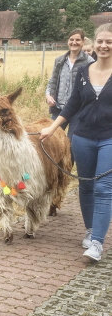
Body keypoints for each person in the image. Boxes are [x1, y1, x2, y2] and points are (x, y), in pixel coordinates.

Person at [41, 23, 112, 262]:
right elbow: (72, 105)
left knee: (103, 188)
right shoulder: (84, 71)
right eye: (101, 41)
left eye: (109, 42)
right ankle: (90, 229)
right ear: (95, 44)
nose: (104, 46)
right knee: (86, 186)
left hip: (109, 139)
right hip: (81, 137)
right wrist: (52, 128)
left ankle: (97, 243)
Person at [45, 29, 94, 146]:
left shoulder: (89, 62)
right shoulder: (60, 61)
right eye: (71, 39)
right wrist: (48, 95)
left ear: (83, 42)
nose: (74, 42)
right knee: (53, 142)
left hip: (78, 111)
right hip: (59, 108)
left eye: (77, 40)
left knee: (71, 143)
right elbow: (53, 81)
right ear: (68, 41)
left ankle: (68, 165)